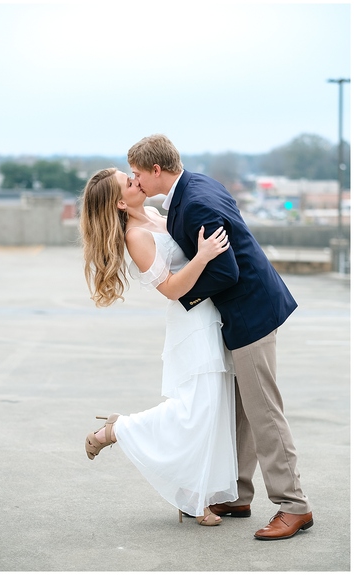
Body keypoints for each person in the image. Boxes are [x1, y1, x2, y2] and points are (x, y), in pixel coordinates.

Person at [127, 134, 312, 540]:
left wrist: (184, 298)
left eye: (137, 173)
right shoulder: (198, 185)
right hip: (245, 308)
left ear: (156, 170)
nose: (135, 180)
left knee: (263, 412)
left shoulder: (195, 203)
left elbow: (227, 271)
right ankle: (238, 495)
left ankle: (293, 506)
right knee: (242, 409)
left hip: (251, 311)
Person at [81, 167, 238, 526]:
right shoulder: (135, 236)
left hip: (209, 313)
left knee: (210, 409)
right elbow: (170, 289)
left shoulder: (154, 213)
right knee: (194, 410)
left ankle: (195, 496)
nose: (136, 180)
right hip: (190, 320)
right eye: (128, 182)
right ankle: (115, 430)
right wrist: (203, 255)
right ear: (121, 203)